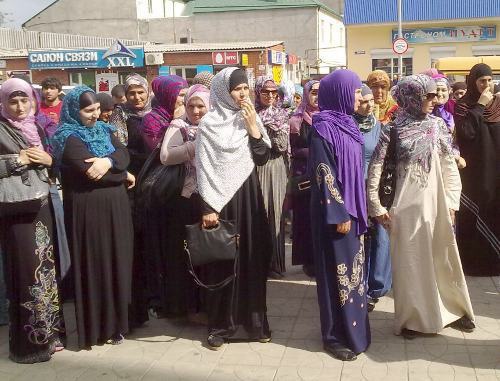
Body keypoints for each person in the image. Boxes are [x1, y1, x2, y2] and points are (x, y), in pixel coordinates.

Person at [367, 74, 475, 339]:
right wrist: (376, 205)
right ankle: (412, 320)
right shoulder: (392, 128)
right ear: (411, 97)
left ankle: (454, 311)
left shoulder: (438, 126)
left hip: (437, 203)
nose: (433, 100)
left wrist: (451, 201)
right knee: (410, 263)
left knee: (444, 258)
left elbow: (449, 164)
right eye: (427, 95)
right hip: (405, 207)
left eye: (433, 95)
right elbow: (376, 168)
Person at [52, 86, 135, 349]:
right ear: (74, 111)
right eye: (88, 110)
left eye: (97, 109)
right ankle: (97, 329)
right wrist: (121, 173)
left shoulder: (106, 130)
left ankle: (118, 325)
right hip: (88, 210)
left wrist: (108, 163)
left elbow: (124, 155)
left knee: (117, 262)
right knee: (95, 265)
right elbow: (87, 172)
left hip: (116, 208)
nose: (95, 115)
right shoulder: (66, 137)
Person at [196, 67, 273, 350]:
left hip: (248, 198)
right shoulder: (208, 124)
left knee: (252, 260)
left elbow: (263, 157)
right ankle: (220, 326)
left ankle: (255, 324)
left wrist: (253, 128)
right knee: (223, 264)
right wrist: (207, 207)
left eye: (245, 89)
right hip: (220, 202)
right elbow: (203, 168)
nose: (243, 94)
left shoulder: (250, 119)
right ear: (223, 92)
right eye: (237, 89)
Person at [0, 78, 66, 363]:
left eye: (23, 100)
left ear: (32, 101)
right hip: (16, 210)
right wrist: (19, 160)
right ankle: (28, 346)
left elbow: (53, 159)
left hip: (42, 204)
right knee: (25, 273)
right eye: (12, 101)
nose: (18, 107)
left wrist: (49, 161)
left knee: (45, 272)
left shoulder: (37, 126)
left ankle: (49, 336)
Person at [309, 70, 369, 361]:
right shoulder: (322, 128)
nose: (361, 96)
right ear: (342, 93)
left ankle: (355, 331)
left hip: (353, 211)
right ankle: (334, 336)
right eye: (357, 91)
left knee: (354, 274)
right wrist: (339, 212)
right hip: (335, 214)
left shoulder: (349, 124)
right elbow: (324, 173)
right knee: (336, 275)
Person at [152, 84, 210, 319]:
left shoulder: (216, 125)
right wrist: (194, 145)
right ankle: (183, 304)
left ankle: (205, 302)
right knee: (184, 252)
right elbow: (165, 156)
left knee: (208, 252)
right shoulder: (178, 125)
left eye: (201, 106)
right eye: (191, 106)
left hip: (210, 199)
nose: (196, 111)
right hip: (185, 198)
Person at [454, 63, 500, 276]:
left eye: (490, 80)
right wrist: (479, 106)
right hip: (474, 174)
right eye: (482, 81)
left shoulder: (498, 104)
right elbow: (466, 134)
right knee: (473, 215)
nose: (487, 85)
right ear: (473, 81)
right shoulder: (464, 106)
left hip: (496, 171)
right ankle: (473, 264)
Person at [353, 85, 391, 312]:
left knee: (379, 238)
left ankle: (376, 288)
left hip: (375, 190)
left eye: (371, 101)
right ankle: (358, 283)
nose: (368, 105)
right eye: (363, 101)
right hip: (354, 189)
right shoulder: (347, 126)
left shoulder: (382, 128)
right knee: (359, 238)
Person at [254, 76, 289, 278]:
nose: (269, 95)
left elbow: (282, 145)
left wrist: (261, 130)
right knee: (258, 214)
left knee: (275, 214)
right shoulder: (249, 113)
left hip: (275, 166)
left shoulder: (281, 115)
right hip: (254, 167)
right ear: (257, 92)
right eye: (265, 91)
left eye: (273, 92)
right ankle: (258, 263)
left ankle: (275, 263)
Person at [289, 80, 319, 276]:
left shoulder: (327, 118)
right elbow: (291, 148)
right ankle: (307, 260)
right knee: (304, 218)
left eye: (320, 92)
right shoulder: (296, 120)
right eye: (313, 92)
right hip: (303, 175)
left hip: (323, 175)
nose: (317, 96)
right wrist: (315, 151)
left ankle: (320, 257)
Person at [109, 74, 151, 176]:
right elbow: (119, 144)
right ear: (126, 95)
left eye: (141, 92)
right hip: (132, 168)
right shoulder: (120, 112)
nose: (137, 97)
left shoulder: (157, 110)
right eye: (132, 93)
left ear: (148, 92)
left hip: (157, 167)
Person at [140, 75, 188, 152]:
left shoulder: (188, 114)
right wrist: (177, 121)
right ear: (167, 95)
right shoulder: (150, 120)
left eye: (187, 94)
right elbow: (162, 151)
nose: (185, 99)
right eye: (181, 95)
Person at [431, 75, 466, 169]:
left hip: (453, 162)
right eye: (437, 90)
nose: (439, 93)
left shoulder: (457, 109)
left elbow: (457, 140)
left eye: (443, 90)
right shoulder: (425, 111)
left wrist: (456, 157)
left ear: (449, 91)